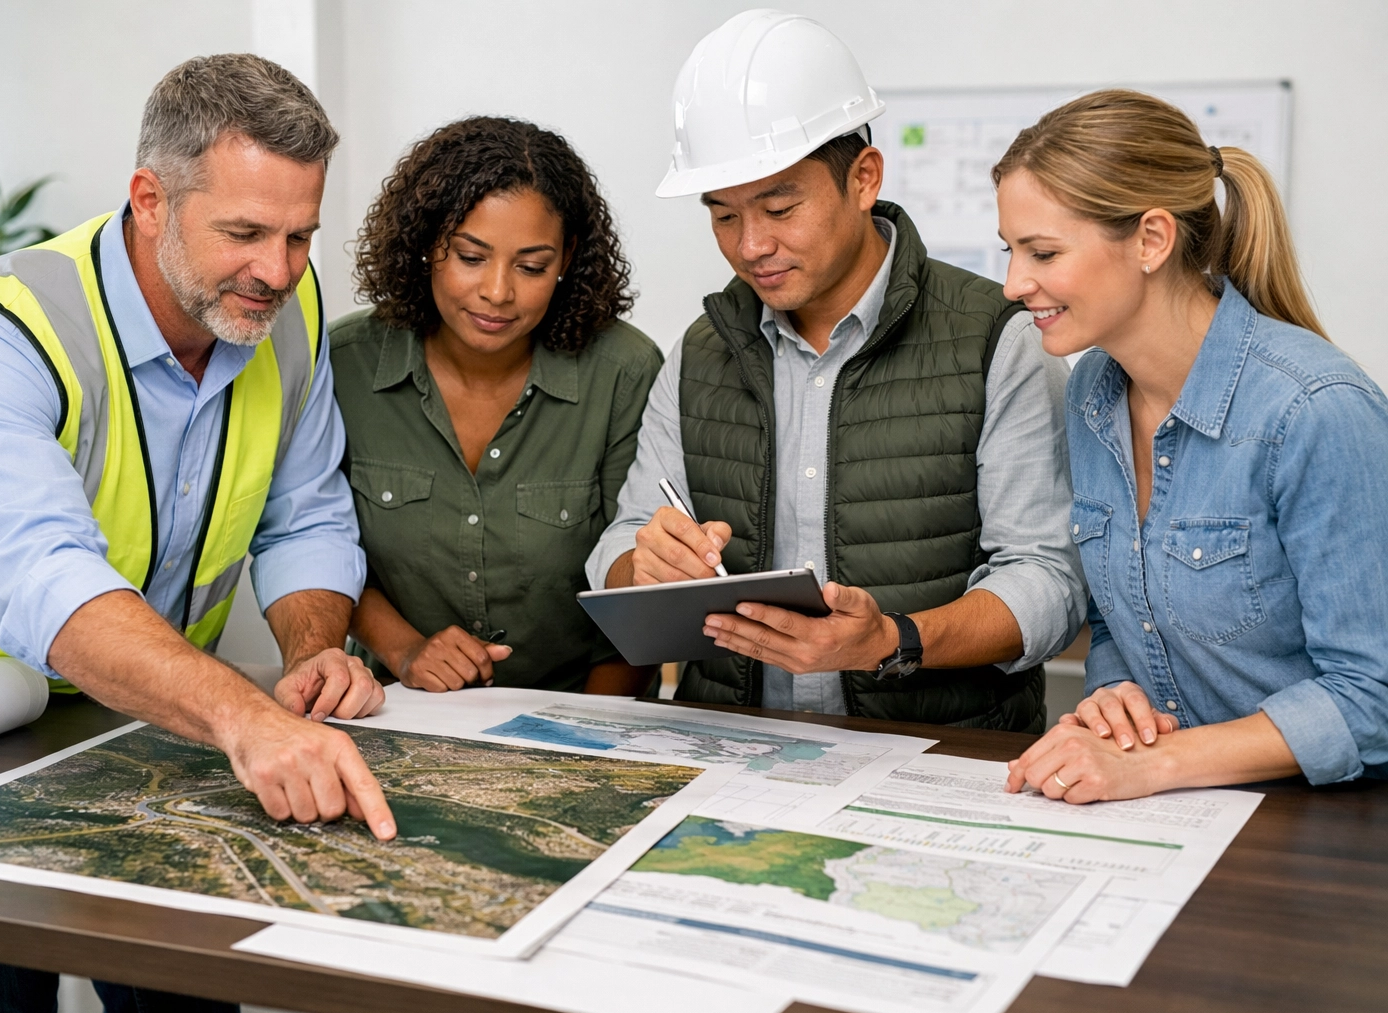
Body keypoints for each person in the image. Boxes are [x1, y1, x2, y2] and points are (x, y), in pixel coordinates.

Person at [0, 55, 395, 1013]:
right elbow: (46, 580)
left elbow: (306, 510)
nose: (277, 271)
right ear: (149, 199)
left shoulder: (288, 313)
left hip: (149, 712)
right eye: (243, 233)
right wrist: (247, 718)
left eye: (298, 236)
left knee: (186, 1002)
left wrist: (314, 653)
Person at [588, 9, 1084, 727]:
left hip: (937, 759)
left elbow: (1049, 582)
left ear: (863, 178)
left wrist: (894, 640)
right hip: (731, 759)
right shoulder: (701, 351)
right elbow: (618, 547)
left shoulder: (996, 339)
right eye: (723, 215)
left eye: (780, 206)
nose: (752, 245)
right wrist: (645, 567)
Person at [996, 89, 1388, 803]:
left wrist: (1151, 765)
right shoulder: (1091, 392)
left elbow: (1375, 697)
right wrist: (1117, 693)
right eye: (1012, 251)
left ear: (1151, 239)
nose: (1014, 283)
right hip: (1179, 820)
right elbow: (1123, 616)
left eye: (1042, 252)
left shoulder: (1317, 411)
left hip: (1327, 827)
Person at [333, 117, 662, 695]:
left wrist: (593, 742)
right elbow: (318, 543)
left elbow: (638, 594)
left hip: (583, 716)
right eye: (470, 257)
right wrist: (406, 650)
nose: (498, 292)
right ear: (426, 244)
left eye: (532, 266)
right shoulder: (343, 365)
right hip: (400, 712)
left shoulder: (624, 373)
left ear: (567, 259)